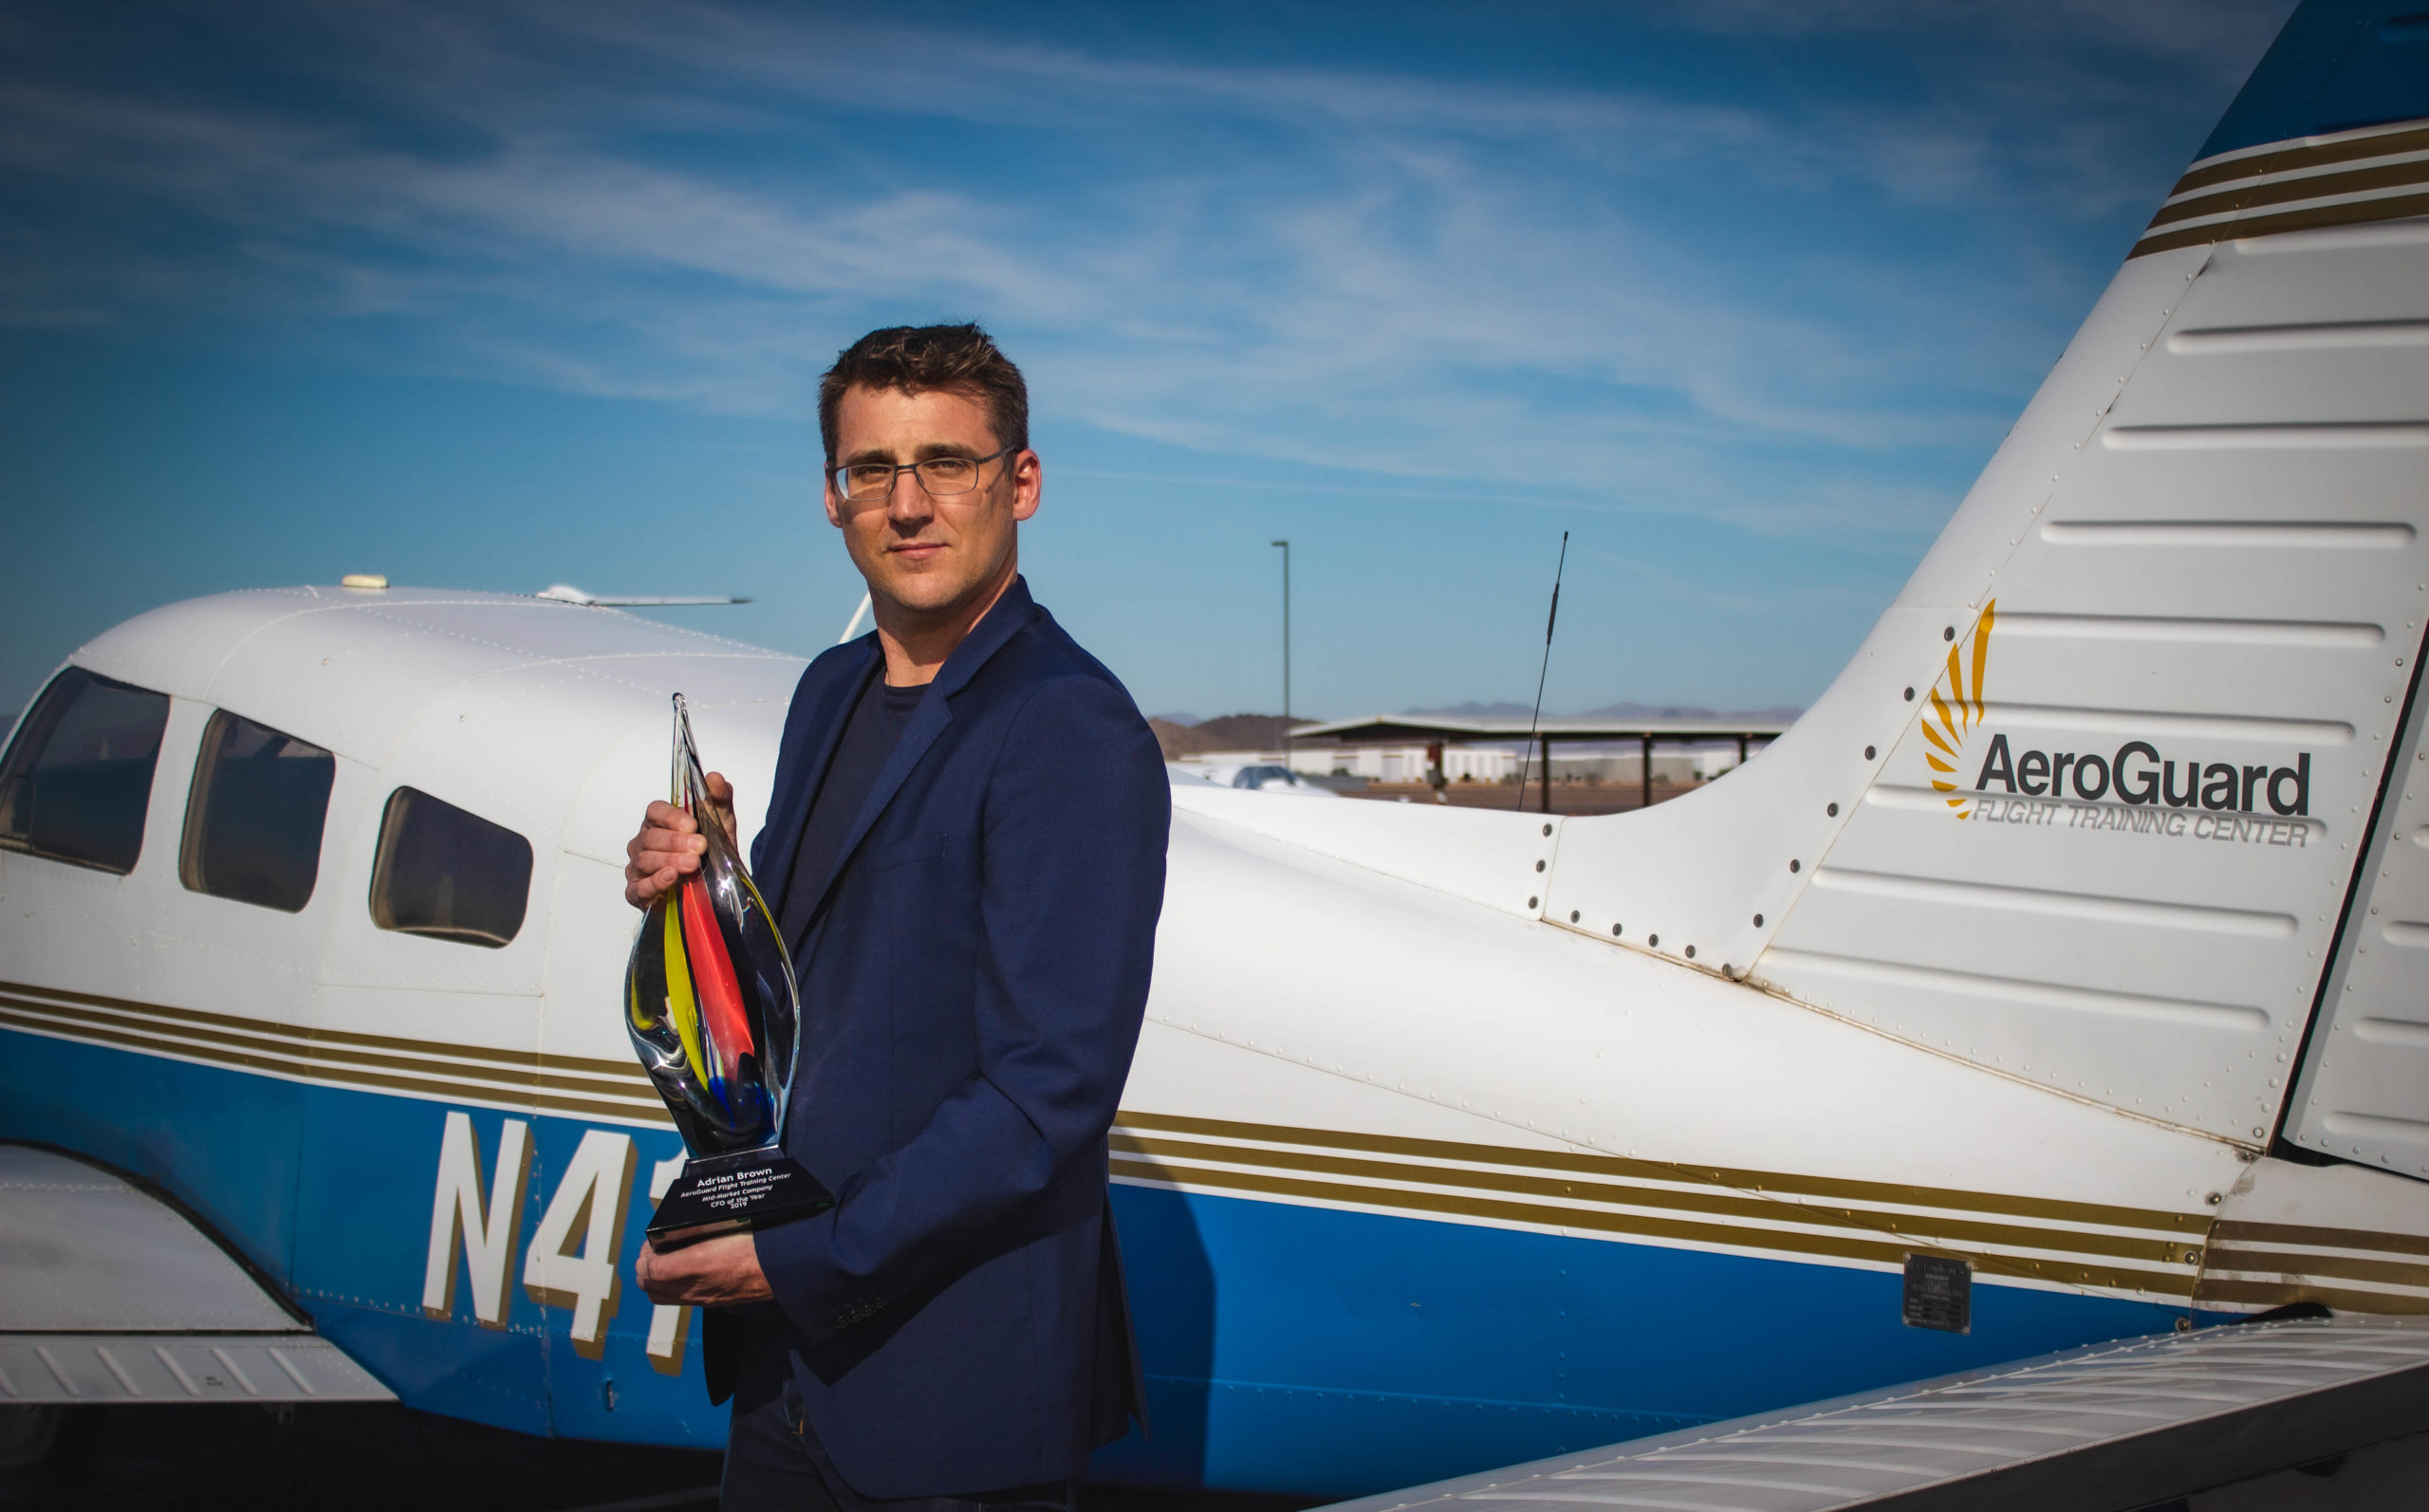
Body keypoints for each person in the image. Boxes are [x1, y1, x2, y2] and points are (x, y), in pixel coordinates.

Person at [621, 324, 1170, 1509]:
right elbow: (821, 979)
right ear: (832, 498)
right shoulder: (829, 690)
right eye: (871, 469)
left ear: (1018, 482)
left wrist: (789, 1262)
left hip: (949, 1400)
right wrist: (709, 888)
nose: (907, 504)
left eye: (947, 463)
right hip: (788, 1386)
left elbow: (1045, 1095)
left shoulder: (1071, 724)